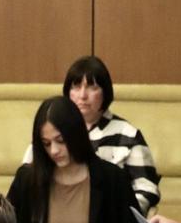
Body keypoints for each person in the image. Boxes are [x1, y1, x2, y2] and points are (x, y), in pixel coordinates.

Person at [7, 96, 137, 223]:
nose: (54, 150)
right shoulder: (27, 178)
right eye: (46, 144)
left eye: (60, 141)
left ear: (76, 134)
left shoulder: (111, 177)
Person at [47, 53, 160, 213]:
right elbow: (29, 178)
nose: (83, 95)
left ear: (105, 92)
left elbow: (147, 189)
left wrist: (120, 216)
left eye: (92, 87)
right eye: (76, 87)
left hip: (111, 222)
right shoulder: (51, 130)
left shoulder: (127, 135)